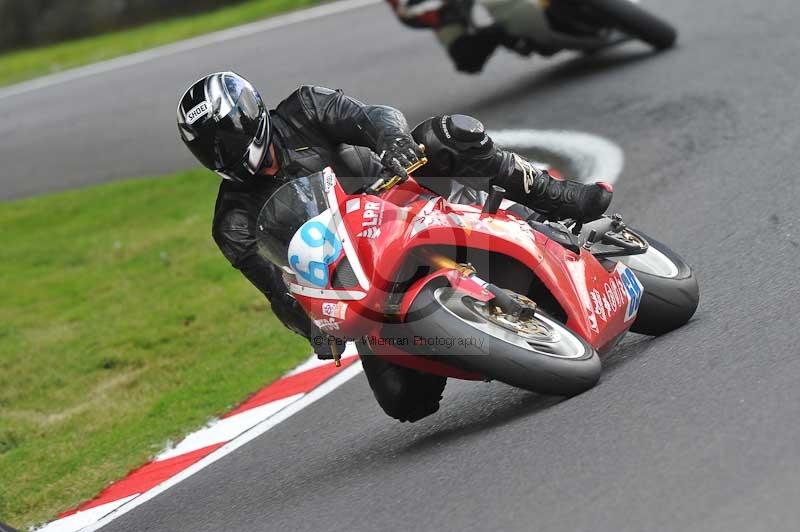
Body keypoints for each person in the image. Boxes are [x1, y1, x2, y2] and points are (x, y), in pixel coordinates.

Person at [177, 72, 611, 422]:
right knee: (404, 401)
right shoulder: (232, 222)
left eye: (227, 140)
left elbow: (373, 116)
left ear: (250, 118)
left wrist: (393, 142)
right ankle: (487, 342)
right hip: (361, 277)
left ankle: (555, 197)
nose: (222, 154)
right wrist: (312, 325)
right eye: (209, 151)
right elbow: (278, 289)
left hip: (400, 196)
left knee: (445, 135)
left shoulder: (305, 108)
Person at [385, 0, 545, 73]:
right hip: (448, 15)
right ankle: (516, 39)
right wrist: (442, 10)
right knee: (466, 58)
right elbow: (407, 13)